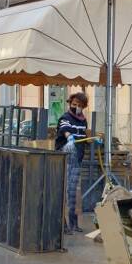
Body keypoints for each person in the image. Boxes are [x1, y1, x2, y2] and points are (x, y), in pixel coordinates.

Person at [55, 92, 89, 234]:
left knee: (73, 192)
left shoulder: (82, 120)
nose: (76, 107)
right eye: (74, 104)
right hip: (65, 160)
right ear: (70, 103)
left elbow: (83, 136)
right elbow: (65, 129)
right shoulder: (65, 117)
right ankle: (62, 225)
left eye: (80, 105)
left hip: (77, 161)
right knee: (63, 191)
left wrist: (91, 140)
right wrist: (69, 137)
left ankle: (73, 223)